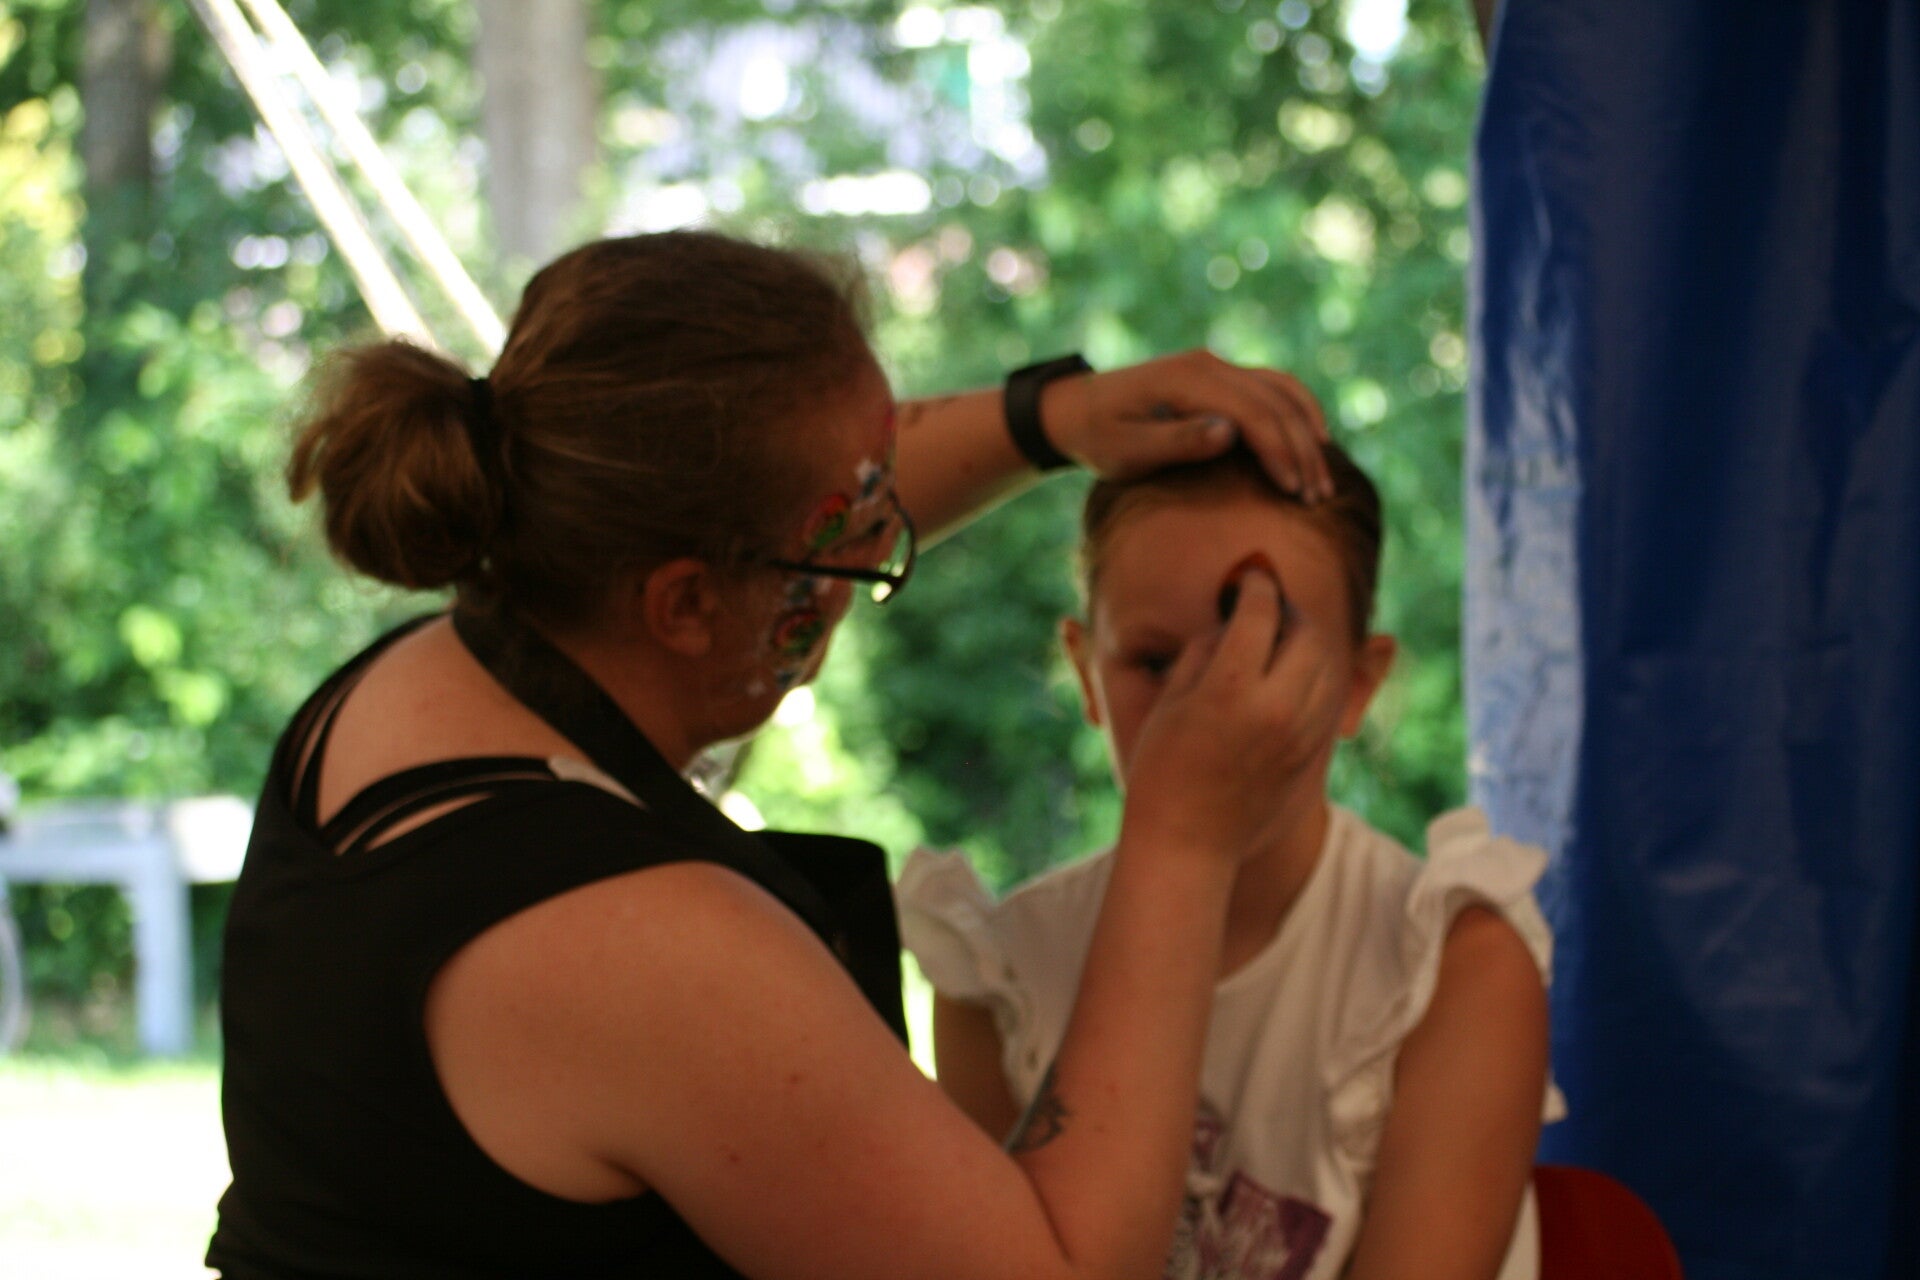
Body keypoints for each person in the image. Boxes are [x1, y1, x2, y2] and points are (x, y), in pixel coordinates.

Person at [204, 228, 1345, 1280]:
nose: (879, 549)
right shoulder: (641, 943)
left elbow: (792, 508)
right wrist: (1183, 838)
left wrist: (1046, 418)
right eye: (856, 550)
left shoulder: (415, 690)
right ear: (685, 602)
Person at [898, 442, 1561, 1280]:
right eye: (1154, 662)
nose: (1210, 706)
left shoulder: (1454, 970)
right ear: (1086, 672)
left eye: (1268, 652)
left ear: (1358, 684)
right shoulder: (1003, 979)